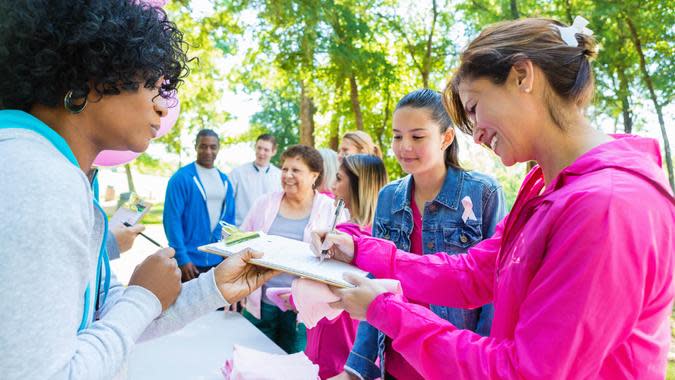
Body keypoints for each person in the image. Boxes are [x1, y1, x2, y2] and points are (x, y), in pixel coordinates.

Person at [314, 17, 675, 379]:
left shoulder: (606, 207)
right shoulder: (548, 190)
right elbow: (472, 274)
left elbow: (525, 372)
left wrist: (388, 311)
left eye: (473, 108)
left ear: (522, 76)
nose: (476, 135)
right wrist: (359, 249)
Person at [0, 2, 276, 378]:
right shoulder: (38, 179)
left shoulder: (54, 169)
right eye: (151, 84)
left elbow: (102, 312)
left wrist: (214, 286)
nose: (163, 108)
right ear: (92, 72)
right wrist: (143, 296)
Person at [334, 89, 505, 380]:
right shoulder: (388, 197)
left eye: (417, 136)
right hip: (397, 362)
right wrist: (356, 368)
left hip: (455, 363)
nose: (404, 147)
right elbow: (375, 283)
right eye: (397, 136)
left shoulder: (483, 193)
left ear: (446, 138)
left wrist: (481, 370)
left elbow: (496, 290)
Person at [269, 154, 389, 379]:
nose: (332, 186)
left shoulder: (346, 239)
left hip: (333, 337)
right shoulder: (381, 238)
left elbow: (323, 291)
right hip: (357, 338)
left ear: (356, 185)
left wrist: (293, 297)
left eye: (339, 179)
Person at [239, 145, 347, 354]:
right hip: (261, 304)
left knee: (296, 365)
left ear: (314, 175)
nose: (287, 175)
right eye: (285, 169)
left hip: (303, 309)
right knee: (254, 360)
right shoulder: (264, 203)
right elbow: (242, 243)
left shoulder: (330, 209)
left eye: (296, 170)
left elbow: (340, 260)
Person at [163, 129, 236, 282]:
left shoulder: (224, 181)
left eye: (213, 147)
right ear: (196, 147)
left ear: (218, 148)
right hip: (189, 261)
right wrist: (182, 257)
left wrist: (228, 255)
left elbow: (229, 221)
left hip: (217, 260)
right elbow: (172, 220)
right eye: (203, 146)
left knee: (214, 306)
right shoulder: (181, 178)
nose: (208, 151)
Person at [229, 133, 282, 226]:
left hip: (269, 230)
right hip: (241, 229)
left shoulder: (279, 175)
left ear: (273, 152)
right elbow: (228, 200)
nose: (261, 152)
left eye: (266, 150)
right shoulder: (238, 173)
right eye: (259, 148)